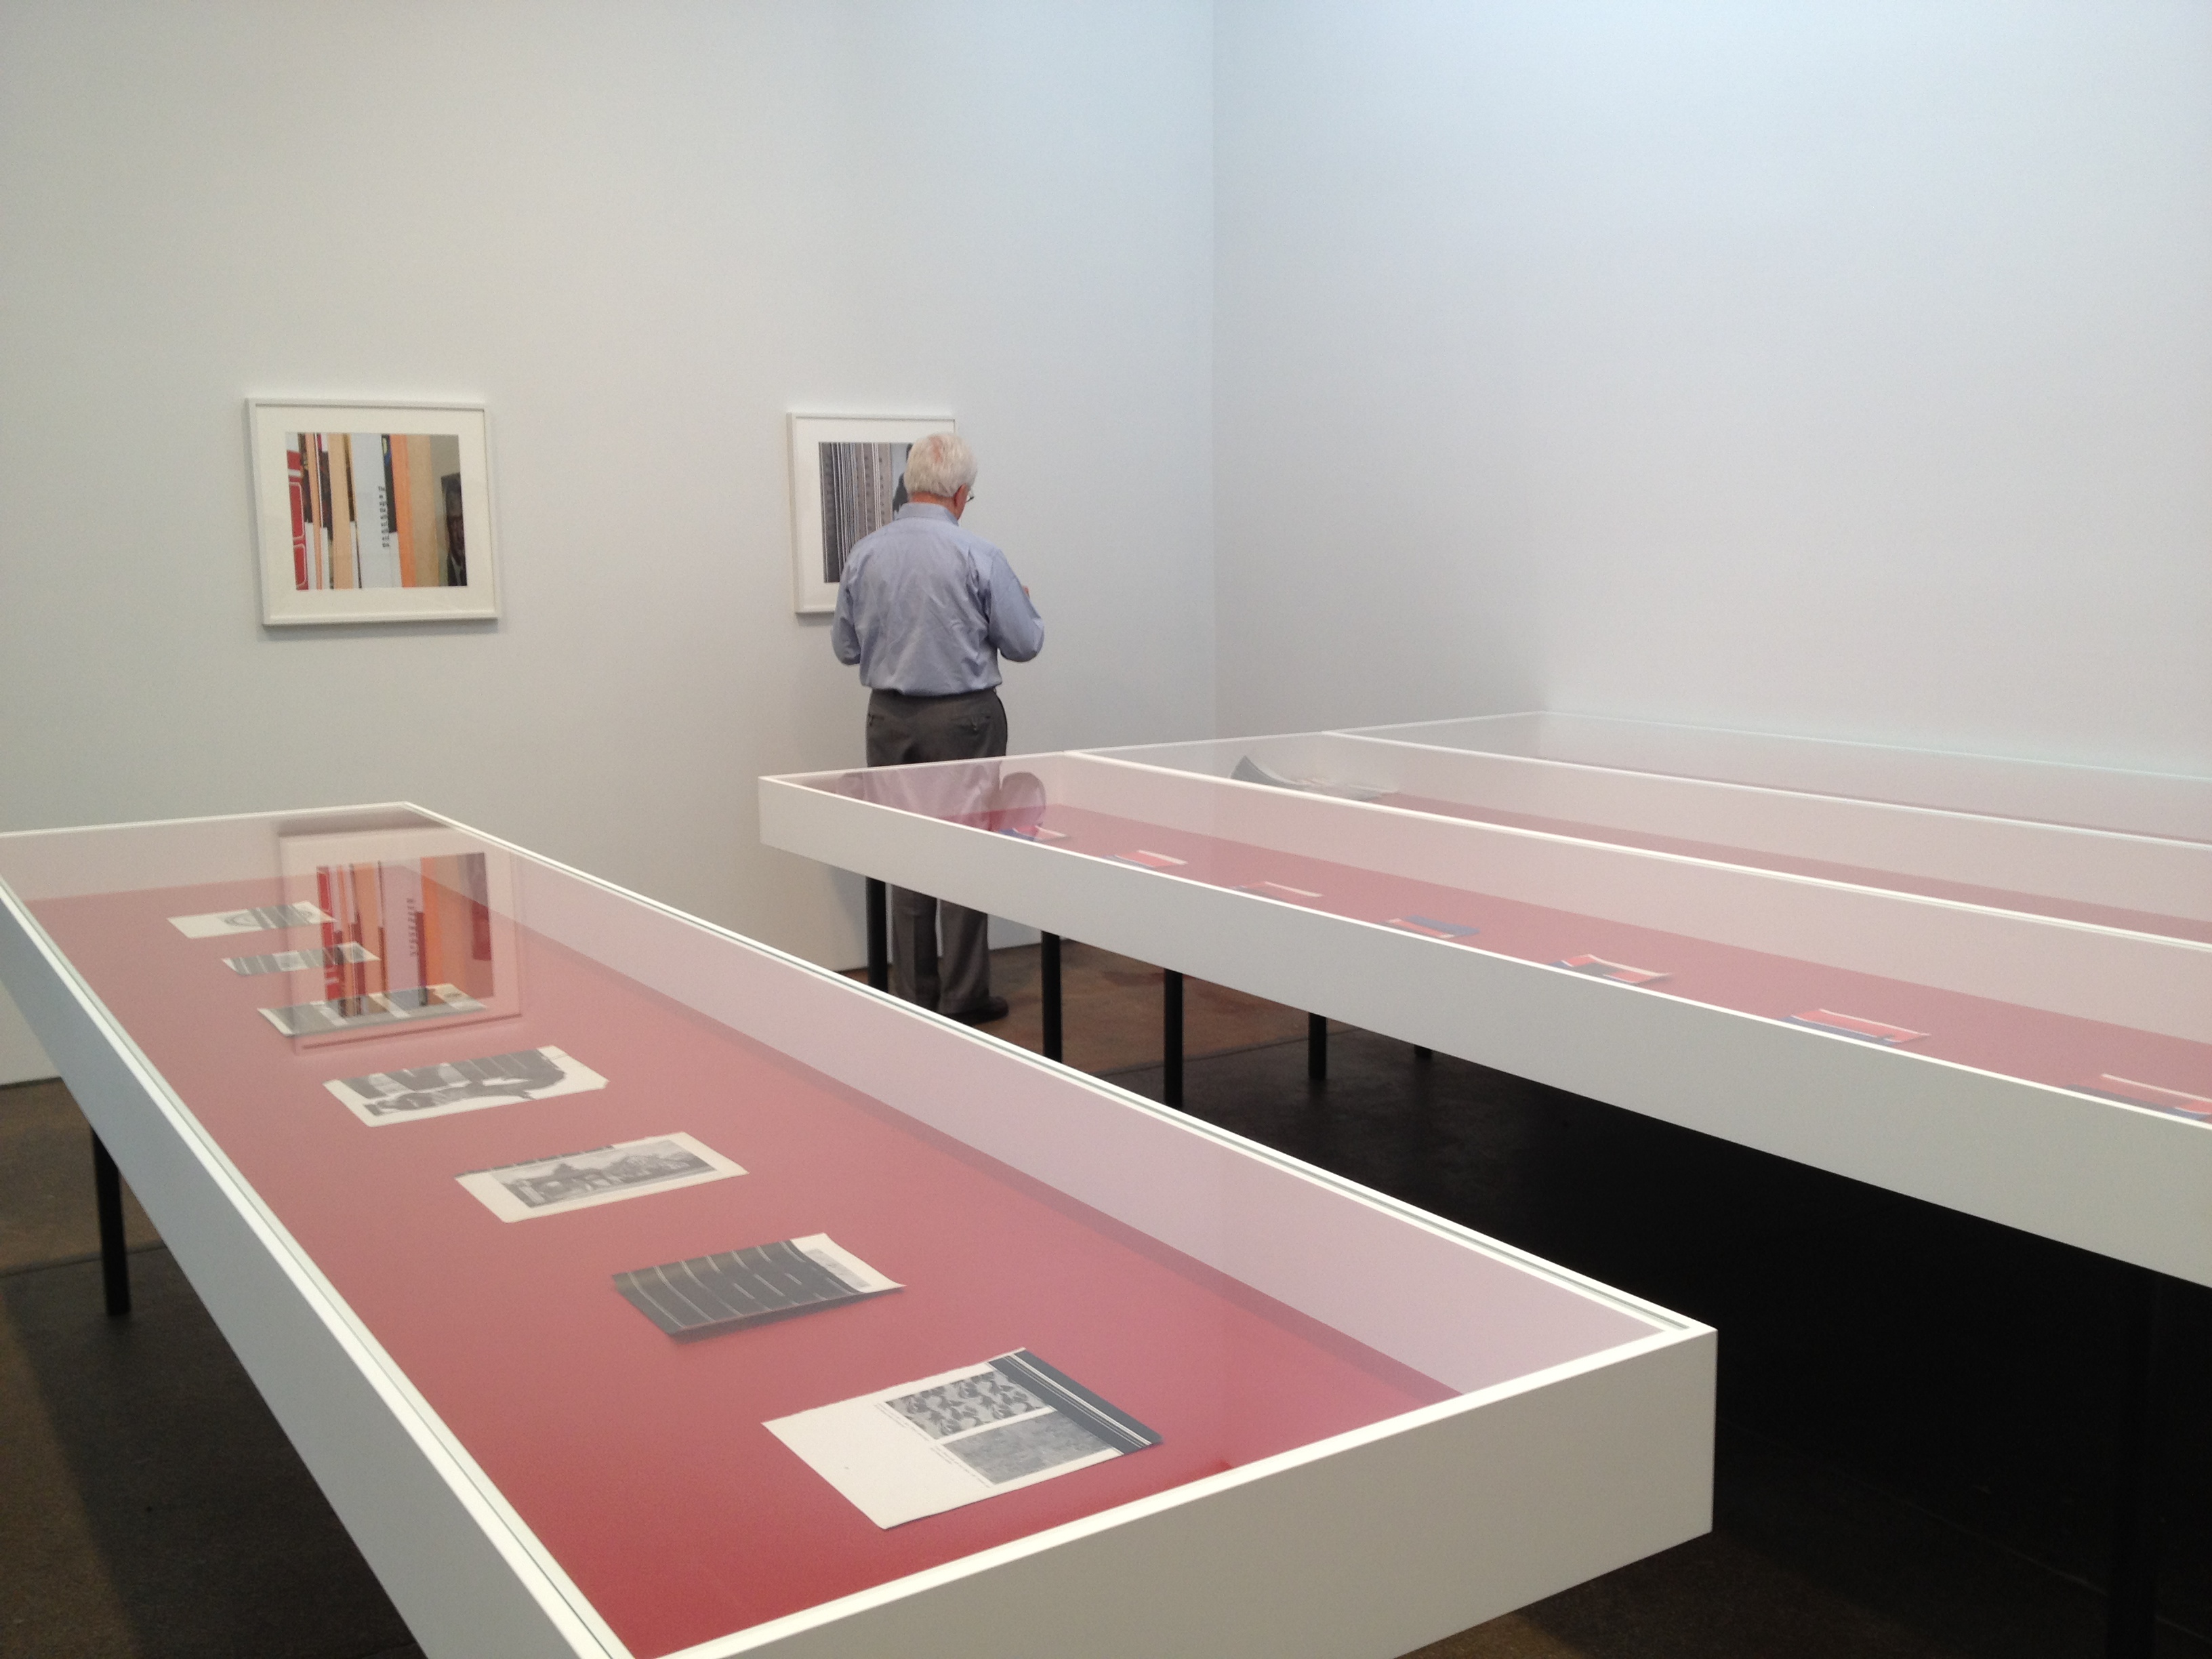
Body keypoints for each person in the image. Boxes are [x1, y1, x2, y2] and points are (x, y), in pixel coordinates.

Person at [830, 433, 1043, 1023]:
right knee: (966, 854)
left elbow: (846, 649)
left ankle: (915, 995)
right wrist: (1022, 604)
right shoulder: (979, 555)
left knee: (905, 855)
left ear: (911, 484)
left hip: (889, 719)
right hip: (964, 719)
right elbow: (1025, 643)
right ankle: (963, 995)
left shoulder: (865, 554)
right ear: (960, 494)